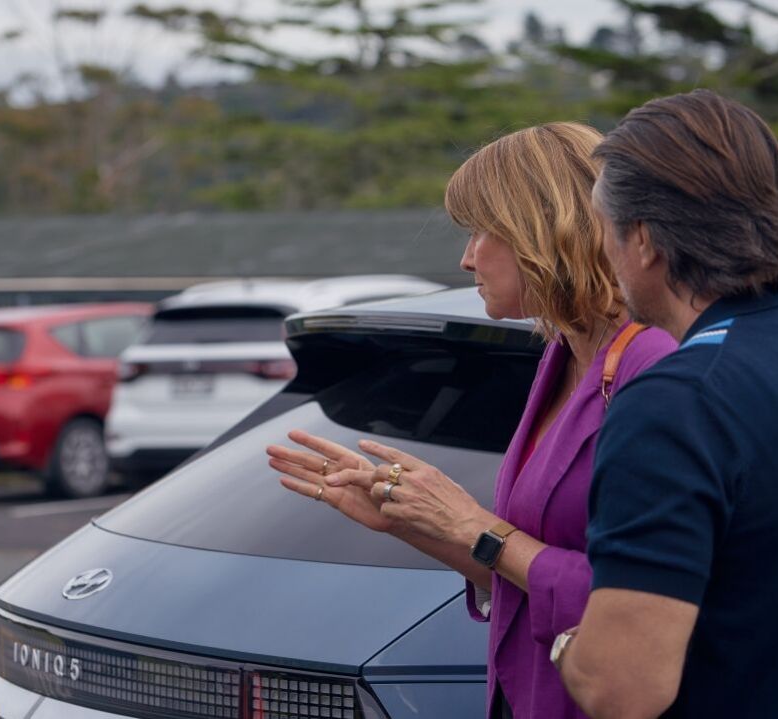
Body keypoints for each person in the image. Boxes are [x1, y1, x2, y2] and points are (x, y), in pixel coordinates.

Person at [267, 123, 676, 718]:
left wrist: (473, 526)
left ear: (545, 229)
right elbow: (517, 565)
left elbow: (647, 604)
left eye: (482, 231)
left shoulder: (654, 364)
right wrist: (412, 520)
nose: (466, 258)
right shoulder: (561, 354)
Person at [552, 89, 778, 718]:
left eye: (605, 229)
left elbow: (623, 689)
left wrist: (570, 647)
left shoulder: (677, 402)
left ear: (644, 240)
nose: (605, 253)